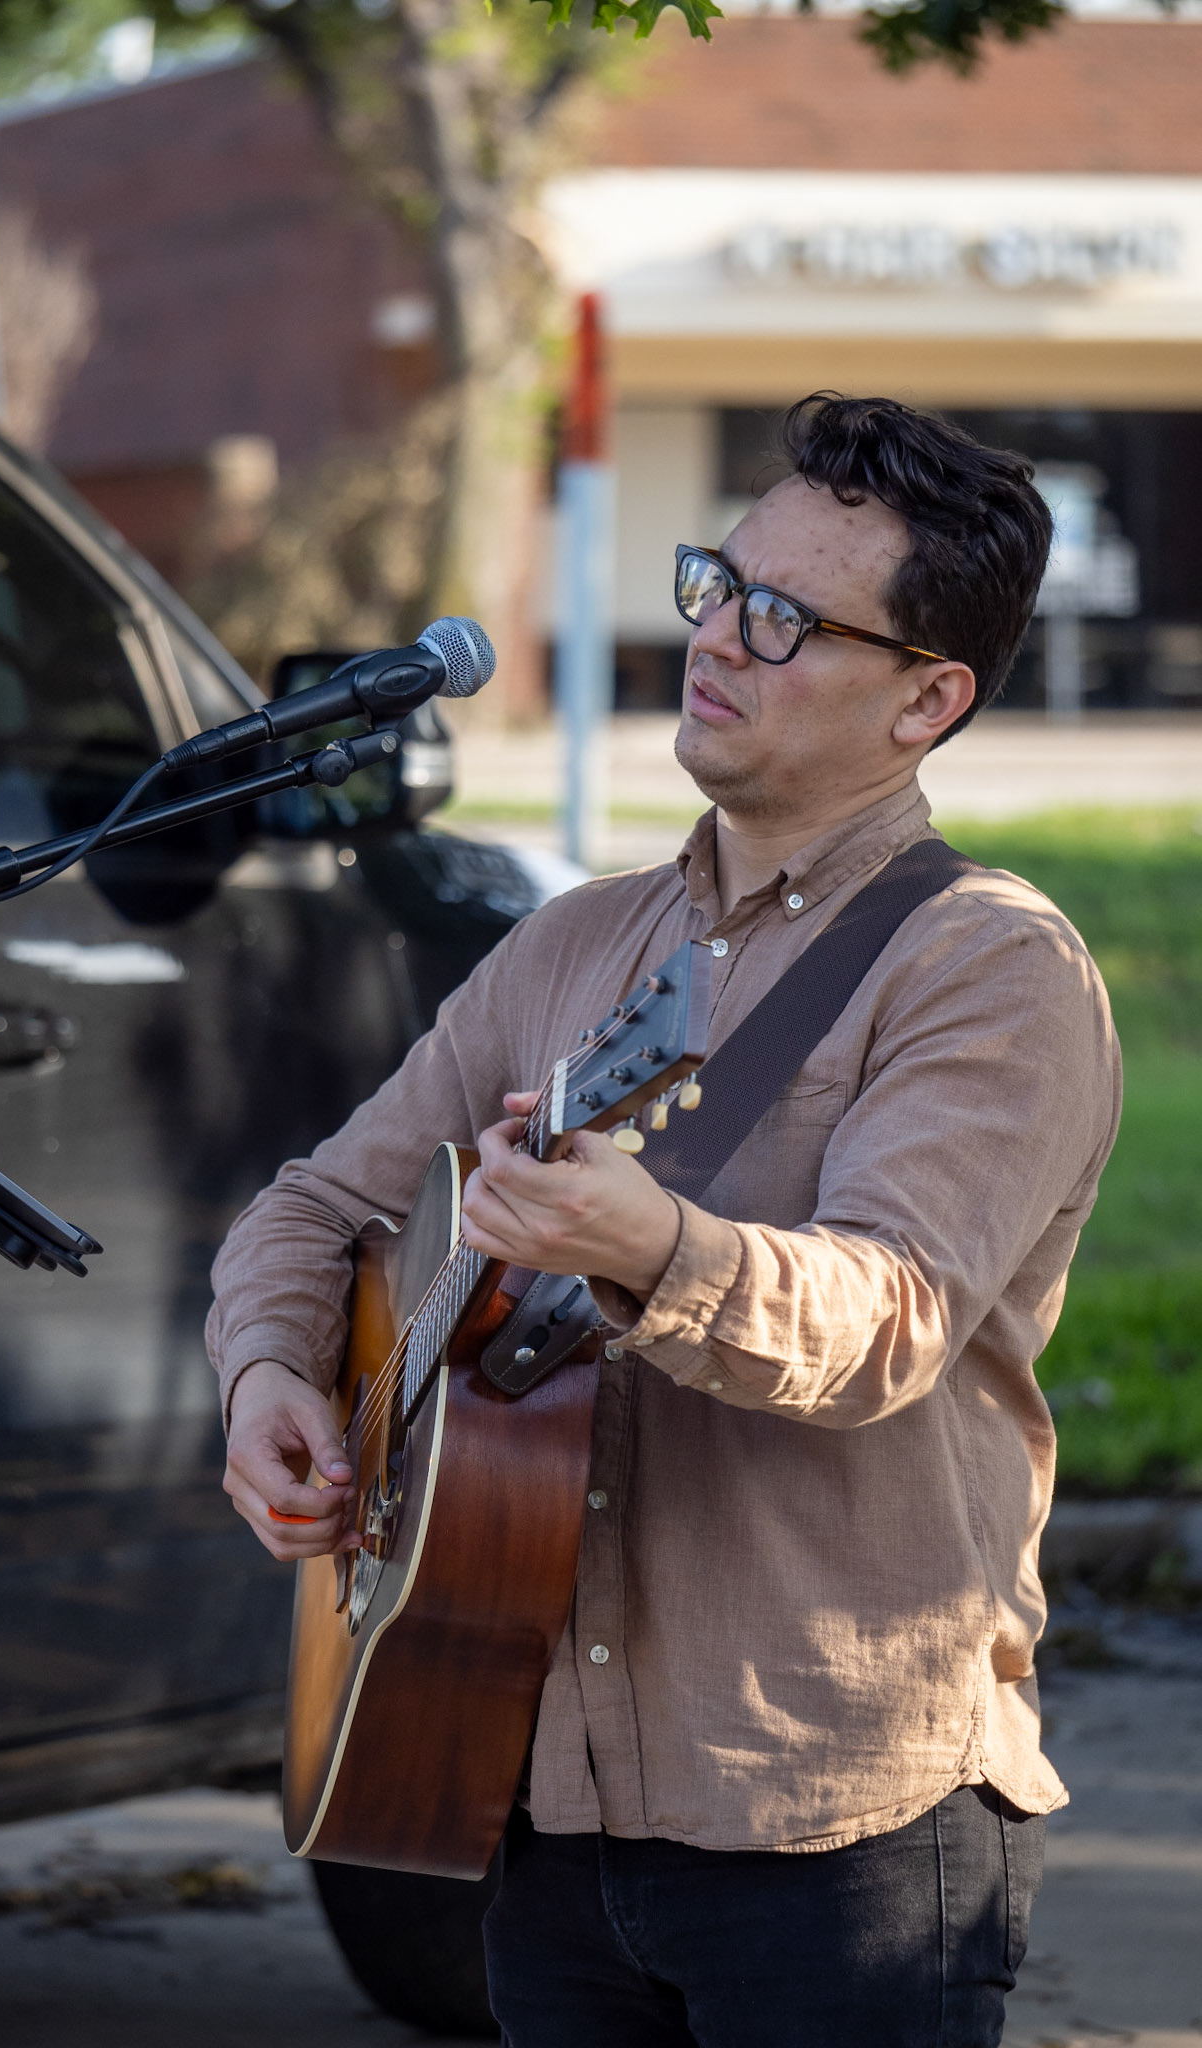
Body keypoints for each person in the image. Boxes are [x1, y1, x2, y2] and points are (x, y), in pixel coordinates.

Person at [207, 394, 1121, 2045]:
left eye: (786, 619)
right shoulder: (574, 950)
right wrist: (271, 1376)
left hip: (836, 1814)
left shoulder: (991, 967)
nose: (719, 637)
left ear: (929, 698)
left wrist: (649, 1246)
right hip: (541, 1790)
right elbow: (319, 1202)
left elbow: (891, 1323)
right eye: (719, 584)